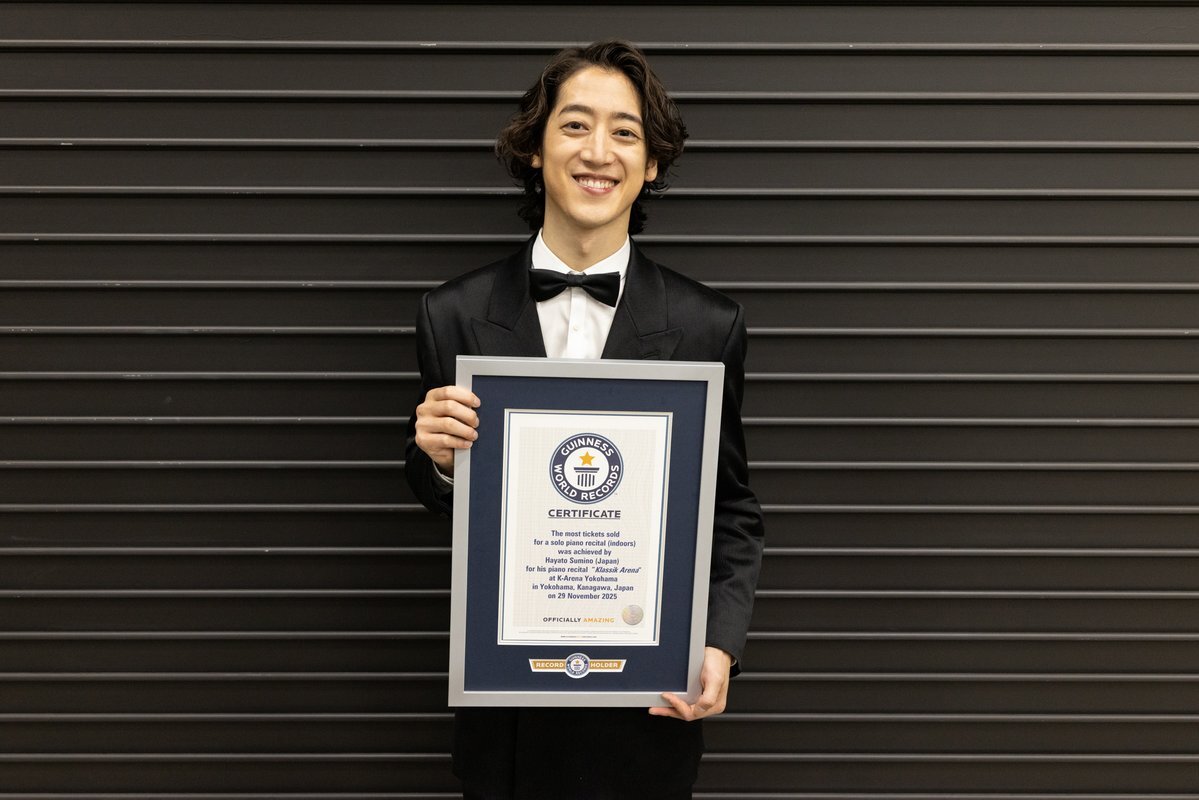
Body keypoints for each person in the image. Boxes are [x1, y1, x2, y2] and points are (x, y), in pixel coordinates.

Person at [405, 39, 764, 800]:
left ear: (652, 162)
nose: (598, 152)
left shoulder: (708, 324)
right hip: (508, 725)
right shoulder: (452, 314)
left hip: (646, 719)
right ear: (535, 149)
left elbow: (730, 509)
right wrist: (437, 459)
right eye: (574, 125)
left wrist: (719, 644)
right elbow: (444, 496)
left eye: (624, 132)